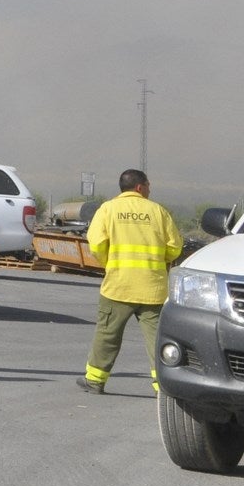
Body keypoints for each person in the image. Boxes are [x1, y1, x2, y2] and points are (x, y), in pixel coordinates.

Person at [77, 169, 183, 395]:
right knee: (156, 340)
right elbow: (175, 248)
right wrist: (160, 259)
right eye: (148, 185)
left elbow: (95, 244)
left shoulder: (108, 209)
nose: (150, 189)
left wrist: (110, 263)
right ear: (139, 187)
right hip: (152, 289)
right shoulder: (158, 212)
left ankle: (95, 380)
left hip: (118, 286)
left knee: (107, 334)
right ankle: (162, 386)